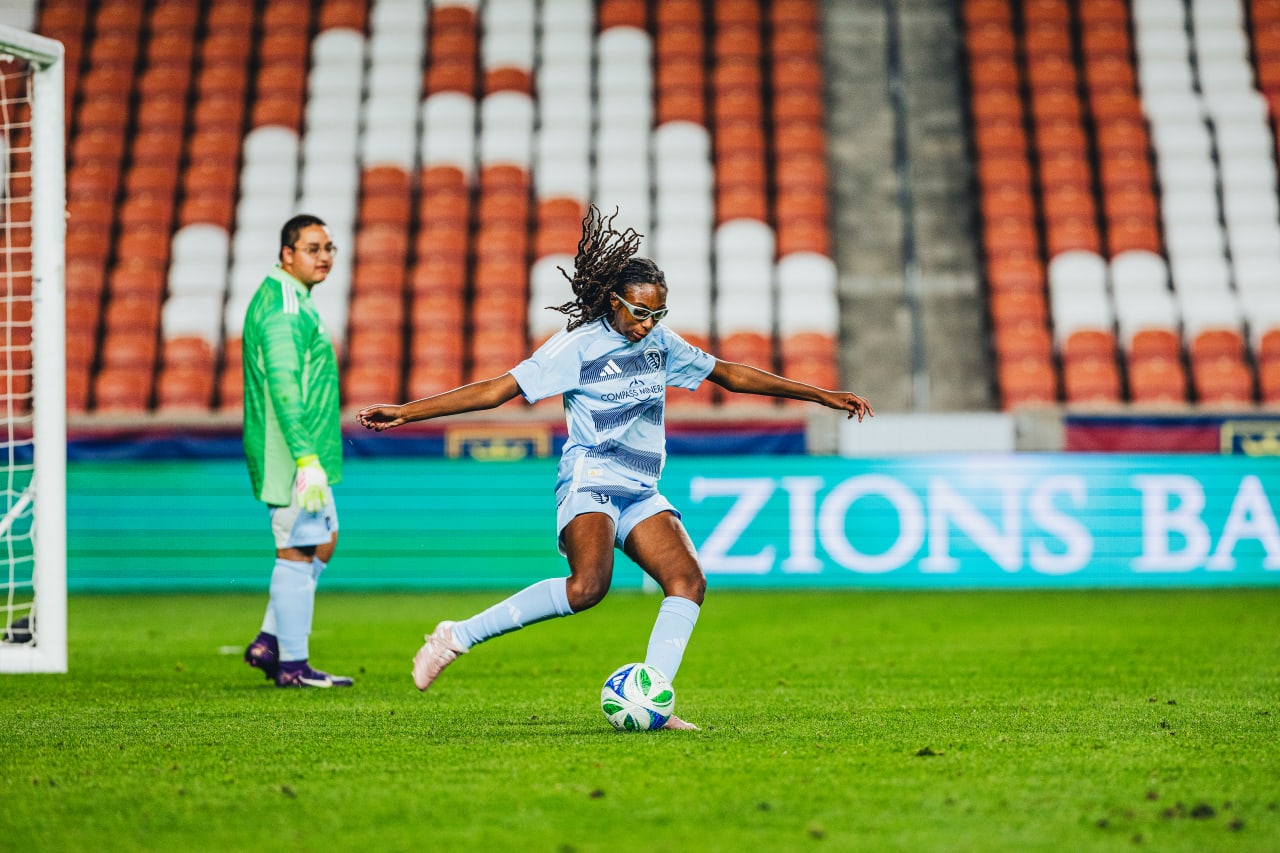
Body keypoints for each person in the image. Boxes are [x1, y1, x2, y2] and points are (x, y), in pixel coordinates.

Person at [356, 206, 872, 726]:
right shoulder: (575, 347)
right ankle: (456, 635)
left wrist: (821, 394)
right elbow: (497, 389)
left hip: (640, 485)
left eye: (658, 313)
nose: (648, 323)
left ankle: (652, 698)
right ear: (613, 301)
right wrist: (407, 411)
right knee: (587, 588)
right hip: (592, 475)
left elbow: (731, 374)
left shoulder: (660, 344)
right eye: (640, 312)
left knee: (688, 581)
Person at [240, 213, 352, 688]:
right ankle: (292, 666)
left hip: (302, 450)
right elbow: (284, 387)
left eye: (328, 248)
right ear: (287, 255)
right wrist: (305, 459)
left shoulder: (293, 299)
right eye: (312, 248)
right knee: (298, 550)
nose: (324, 256)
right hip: (290, 453)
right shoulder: (286, 309)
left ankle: (269, 643)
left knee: (322, 538)